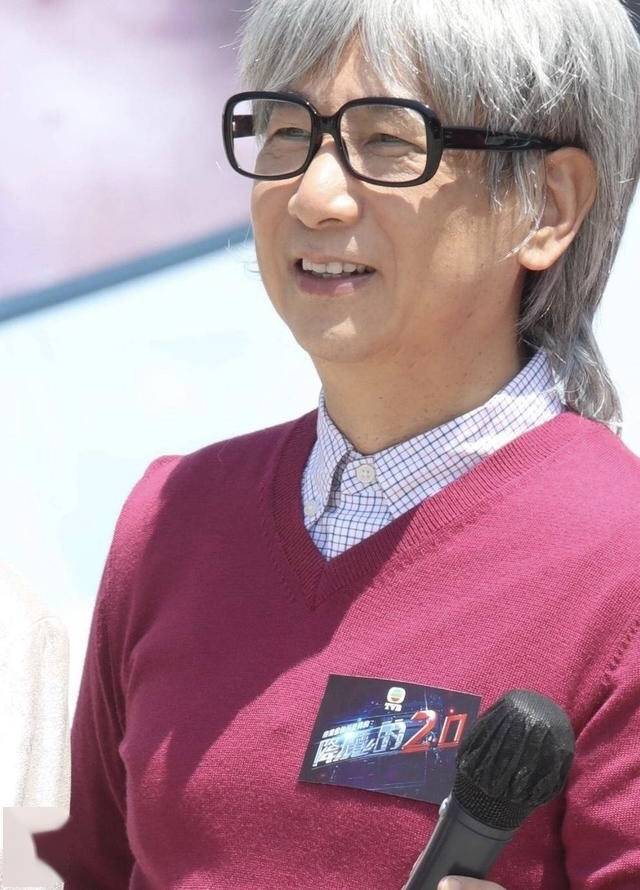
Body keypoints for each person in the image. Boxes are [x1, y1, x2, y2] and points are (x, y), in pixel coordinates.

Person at [32, 0, 640, 887]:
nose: (313, 196)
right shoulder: (170, 521)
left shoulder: (620, 569)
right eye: (285, 130)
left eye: (388, 140)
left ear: (547, 206)